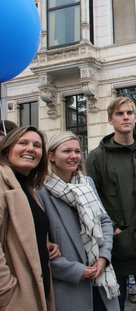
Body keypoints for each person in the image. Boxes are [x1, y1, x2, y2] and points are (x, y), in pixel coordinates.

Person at [85, 96, 136, 311]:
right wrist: (113, 229)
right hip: (115, 249)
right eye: (119, 113)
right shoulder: (96, 158)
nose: (125, 117)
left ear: (135, 118)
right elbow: (91, 200)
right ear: (110, 120)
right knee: (115, 305)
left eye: (130, 113)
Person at [36, 131, 120, 311]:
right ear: (51, 156)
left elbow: (104, 221)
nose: (74, 156)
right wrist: (75, 271)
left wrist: (104, 256)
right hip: (68, 287)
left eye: (77, 151)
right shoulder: (40, 191)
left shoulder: (86, 183)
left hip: (101, 277)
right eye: (66, 151)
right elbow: (38, 248)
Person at [0, 126, 59, 310]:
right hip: (16, 298)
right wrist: (6, 292)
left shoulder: (26, 187)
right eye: (23, 143)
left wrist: (45, 242)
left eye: (37, 145)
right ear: (8, 148)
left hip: (37, 291)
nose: (30, 149)